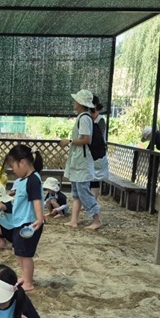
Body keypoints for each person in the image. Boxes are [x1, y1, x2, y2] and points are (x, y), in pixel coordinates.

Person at [0, 143, 45, 291]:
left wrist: (39, 219)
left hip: (29, 223)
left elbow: (36, 200)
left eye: (13, 166)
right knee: (18, 251)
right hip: (20, 222)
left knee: (26, 254)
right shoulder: (24, 180)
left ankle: (28, 282)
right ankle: (24, 276)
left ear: (22, 162)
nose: (13, 170)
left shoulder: (33, 179)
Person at [60, 89, 102, 229]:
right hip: (78, 161)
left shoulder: (84, 118)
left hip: (82, 161)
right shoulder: (83, 117)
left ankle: (97, 220)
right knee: (77, 193)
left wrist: (70, 141)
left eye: (76, 101)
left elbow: (86, 139)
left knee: (84, 192)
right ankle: (74, 220)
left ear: (80, 103)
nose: (74, 102)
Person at [88, 94, 109, 203]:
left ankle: (93, 202)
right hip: (89, 152)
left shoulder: (100, 120)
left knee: (95, 179)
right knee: (90, 179)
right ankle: (90, 202)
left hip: (97, 153)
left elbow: (98, 136)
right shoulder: (87, 118)